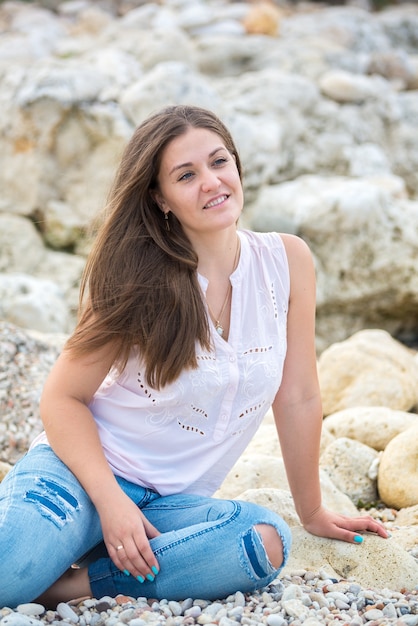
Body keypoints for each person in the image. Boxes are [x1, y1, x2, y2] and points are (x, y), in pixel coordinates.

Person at [0, 105, 388, 609]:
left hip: (170, 508)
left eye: (219, 161)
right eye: (187, 175)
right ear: (160, 198)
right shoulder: (133, 278)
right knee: (8, 574)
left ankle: (73, 586)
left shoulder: (288, 261)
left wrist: (312, 510)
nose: (211, 182)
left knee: (262, 542)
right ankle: (56, 561)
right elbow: (62, 399)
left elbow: (298, 396)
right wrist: (112, 503)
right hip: (79, 475)